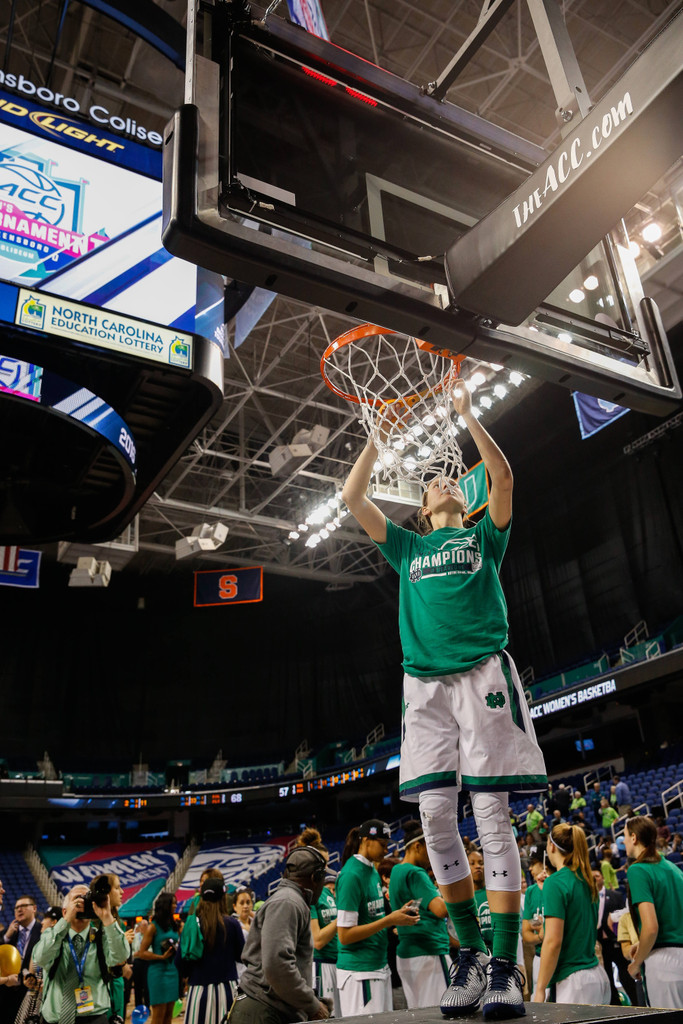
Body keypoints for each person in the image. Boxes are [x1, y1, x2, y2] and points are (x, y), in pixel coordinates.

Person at [342, 381, 546, 1020]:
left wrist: (466, 415)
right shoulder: (406, 547)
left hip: (482, 672)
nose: (446, 482)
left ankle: (507, 968)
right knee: (433, 817)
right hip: (424, 685)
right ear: (423, 511)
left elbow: (503, 476)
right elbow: (352, 498)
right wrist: (375, 445)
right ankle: (474, 955)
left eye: (455, 481)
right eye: (435, 485)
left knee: (490, 815)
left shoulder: (486, 538)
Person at [231, 846, 331, 1024]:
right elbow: (277, 967)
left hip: (266, 1008)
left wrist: (311, 1000)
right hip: (263, 1010)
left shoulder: (291, 900)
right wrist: (312, 1005)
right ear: (316, 878)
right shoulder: (288, 902)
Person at [335, 820, 417, 1016]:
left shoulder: (371, 870)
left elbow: (372, 918)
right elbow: (344, 935)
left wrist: (397, 917)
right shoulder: (351, 875)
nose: (385, 850)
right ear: (366, 840)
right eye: (382, 844)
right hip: (360, 972)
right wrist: (390, 920)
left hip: (378, 967)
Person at [532, 824, 610, 1005]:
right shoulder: (587, 879)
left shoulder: (556, 883)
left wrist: (540, 989)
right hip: (596, 974)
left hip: (573, 981)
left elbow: (553, 942)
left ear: (551, 846)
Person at [32, 883, 130, 1024]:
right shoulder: (52, 935)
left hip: (94, 1017)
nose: (83, 902)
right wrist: (64, 921)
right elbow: (40, 959)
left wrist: (107, 917)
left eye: (87, 899)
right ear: (65, 911)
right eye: (78, 898)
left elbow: (121, 957)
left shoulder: (102, 937)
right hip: (56, 1018)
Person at [389, 819, 452, 1008]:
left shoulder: (396, 870)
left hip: (408, 955)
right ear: (417, 846)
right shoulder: (416, 873)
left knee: (420, 1015)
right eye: (429, 848)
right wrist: (454, 889)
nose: (432, 855)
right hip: (429, 952)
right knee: (442, 1015)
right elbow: (441, 910)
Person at [623, 815, 683, 1008]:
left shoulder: (638, 870)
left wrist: (636, 963)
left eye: (624, 836)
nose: (623, 841)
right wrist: (642, 944)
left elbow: (651, 927)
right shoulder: (674, 869)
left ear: (633, 838)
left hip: (663, 965)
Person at [177, 876, 244, 1024]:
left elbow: (180, 962)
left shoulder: (192, 924)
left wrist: (190, 973)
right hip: (227, 989)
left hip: (198, 991)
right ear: (223, 898)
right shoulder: (232, 924)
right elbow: (242, 956)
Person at [593, 869, 637, 1006]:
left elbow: (624, 916)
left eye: (597, 875)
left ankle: (636, 1002)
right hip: (599, 943)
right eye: (592, 876)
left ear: (603, 878)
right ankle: (614, 1005)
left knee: (625, 973)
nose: (595, 878)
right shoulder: (588, 897)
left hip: (616, 941)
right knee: (606, 977)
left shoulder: (616, 895)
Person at [136, 892, 182, 1024]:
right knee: (158, 1016)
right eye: (173, 903)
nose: (175, 905)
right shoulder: (153, 927)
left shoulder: (174, 925)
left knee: (169, 1015)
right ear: (166, 905)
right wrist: (161, 957)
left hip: (173, 971)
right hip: (158, 973)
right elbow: (142, 952)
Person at [0, 893, 41, 1024]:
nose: (19, 909)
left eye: (23, 906)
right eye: (16, 907)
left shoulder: (43, 931)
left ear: (34, 908)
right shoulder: (8, 933)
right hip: (5, 990)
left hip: (30, 991)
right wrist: (7, 936)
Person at [311, 869, 340, 1017]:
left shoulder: (332, 898)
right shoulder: (312, 898)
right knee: (326, 1015)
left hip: (339, 962)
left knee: (341, 1014)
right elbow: (318, 941)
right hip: (322, 964)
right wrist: (341, 918)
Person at [520, 860, 547, 999]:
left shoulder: (558, 886)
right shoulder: (531, 892)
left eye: (534, 863)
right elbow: (525, 930)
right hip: (538, 955)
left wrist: (543, 924)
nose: (530, 867)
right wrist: (541, 934)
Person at [468, 850, 493, 953]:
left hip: (497, 955)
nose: (478, 866)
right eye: (472, 863)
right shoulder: (464, 897)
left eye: (481, 863)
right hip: (473, 956)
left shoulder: (494, 892)